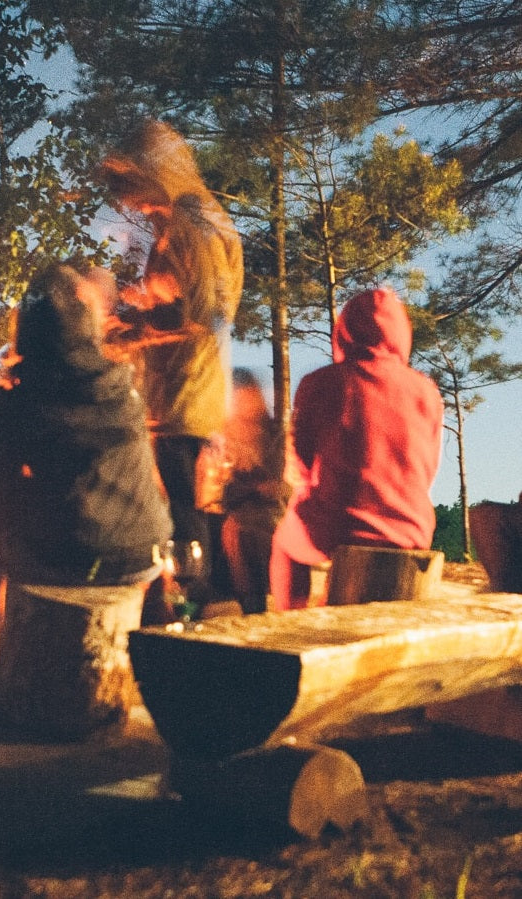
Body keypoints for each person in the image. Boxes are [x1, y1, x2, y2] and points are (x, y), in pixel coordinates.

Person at [0, 262, 172, 618]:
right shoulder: (123, 389)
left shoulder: (18, 400)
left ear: (26, 328)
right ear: (87, 323)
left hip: (75, 562)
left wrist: (43, 506)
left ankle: (10, 626)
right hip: (146, 553)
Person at [101, 119, 243, 603]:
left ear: (156, 171)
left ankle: (193, 612)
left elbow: (208, 313)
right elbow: (183, 297)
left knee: (184, 513)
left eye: (132, 185)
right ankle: (204, 606)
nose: (128, 202)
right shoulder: (183, 223)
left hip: (187, 394)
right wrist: (139, 302)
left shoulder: (195, 221)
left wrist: (133, 332)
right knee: (186, 508)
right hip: (178, 393)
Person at [269, 287, 444, 609]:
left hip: (343, 527)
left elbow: (302, 461)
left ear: (343, 332)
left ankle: (289, 620)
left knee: (284, 542)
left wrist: (306, 491)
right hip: (412, 529)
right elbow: (429, 466)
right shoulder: (427, 391)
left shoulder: (321, 382)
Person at [218, 368, 289, 613]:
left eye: (247, 396)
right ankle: (250, 604)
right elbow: (221, 488)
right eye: (237, 397)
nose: (243, 403)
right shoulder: (224, 435)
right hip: (235, 512)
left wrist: (262, 485)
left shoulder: (275, 435)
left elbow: (281, 485)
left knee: (255, 533)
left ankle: (260, 602)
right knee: (234, 530)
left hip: (271, 513)